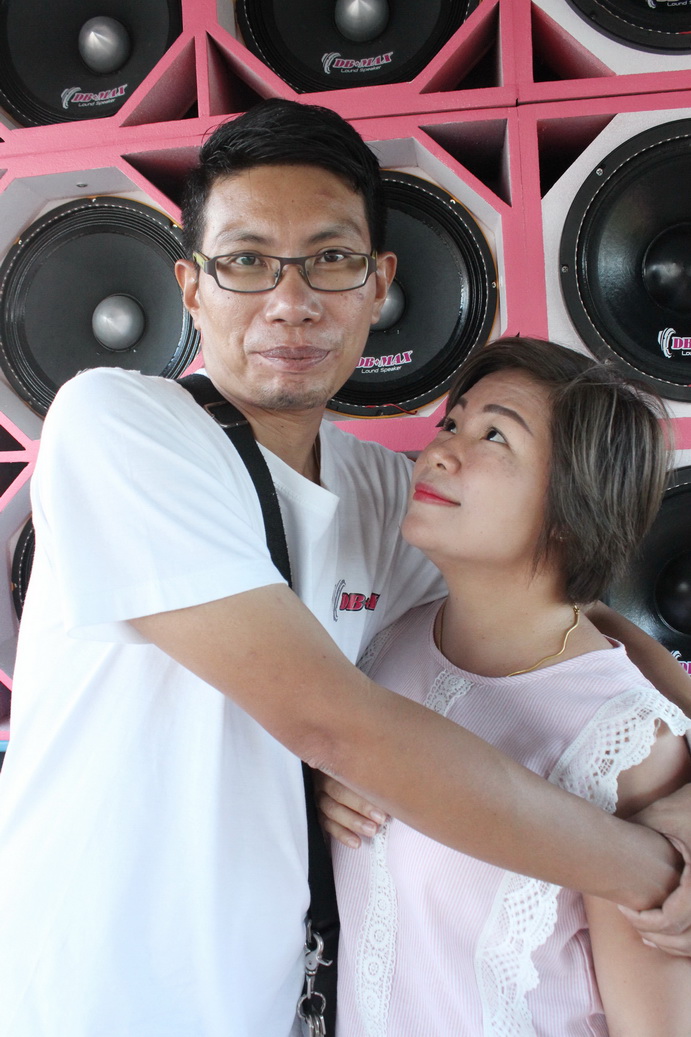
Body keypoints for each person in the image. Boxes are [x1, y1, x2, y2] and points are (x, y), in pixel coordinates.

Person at [0, 98, 689, 1037]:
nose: (291, 301)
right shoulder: (120, 426)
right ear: (190, 287)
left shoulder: (388, 494)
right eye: (246, 261)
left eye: (329, 259)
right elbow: (334, 722)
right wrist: (652, 869)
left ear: (377, 283)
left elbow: (567, 619)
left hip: (279, 1009)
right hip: (90, 1001)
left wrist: (682, 783)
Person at [326, 338, 691, 1035]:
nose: (440, 451)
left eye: (494, 435)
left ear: (572, 508)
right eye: (451, 422)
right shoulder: (384, 641)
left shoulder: (628, 748)